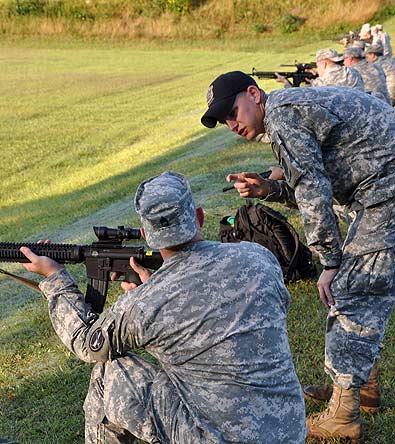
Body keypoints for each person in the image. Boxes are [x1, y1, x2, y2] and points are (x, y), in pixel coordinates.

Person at [19, 170, 307, 444]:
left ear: (145, 234)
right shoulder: (258, 258)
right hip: (288, 429)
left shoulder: (146, 304)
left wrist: (54, 278)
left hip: (217, 437)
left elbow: (87, 343)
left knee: (110, 371)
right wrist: (155, 291)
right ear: (199, 217)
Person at [201, 71, 395, 442]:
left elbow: (312, 187)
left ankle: (343, 414)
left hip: (385, 186)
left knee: (352, 290)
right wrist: (270, 188)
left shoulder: (283, 115)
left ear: (254, 94)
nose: (231, 123)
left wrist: (329, 260)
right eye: (223, 119)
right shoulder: (286, 111)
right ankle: (361, 386)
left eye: (232, 111)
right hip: (379, 185)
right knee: (364, 289)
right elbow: (315, 179)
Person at [275, 48, 364, 91]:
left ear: (324, 64)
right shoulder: (353, 72)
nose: (317, 69)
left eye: (317, 66)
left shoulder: (322, 82)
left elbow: (297, 98)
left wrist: (286, 82)